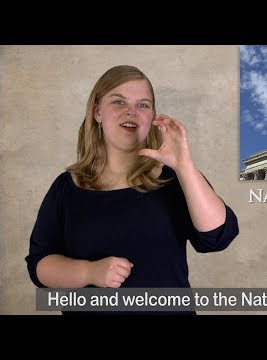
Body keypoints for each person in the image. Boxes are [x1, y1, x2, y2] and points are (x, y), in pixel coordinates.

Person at [25, 65, 239, 313]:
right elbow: (40, 265)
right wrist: (88, 272)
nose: (132, 112)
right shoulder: (67, 187)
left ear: (152, 117)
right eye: (118, 102)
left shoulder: (174, 177)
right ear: (97, 112)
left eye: (143, 105)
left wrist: (184, 166)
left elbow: (218, 237)